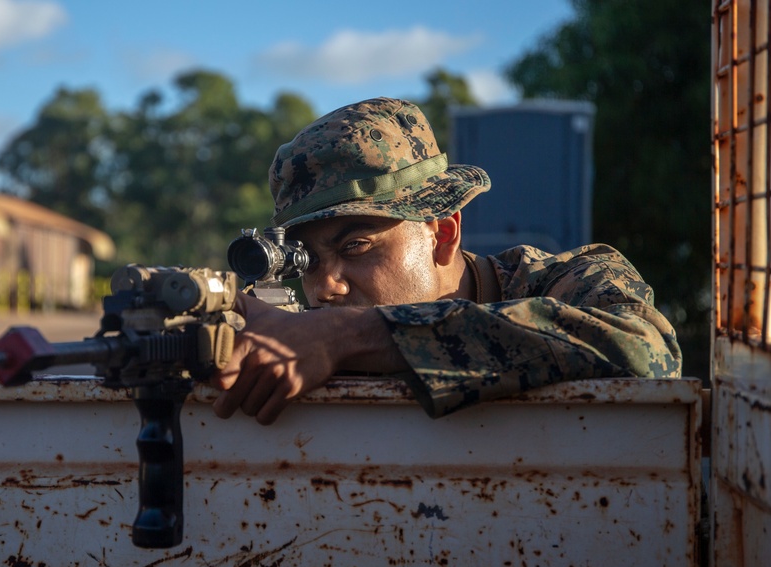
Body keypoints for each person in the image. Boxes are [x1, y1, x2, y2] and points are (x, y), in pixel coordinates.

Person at [211, 97, 681, 425]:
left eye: (356, 246)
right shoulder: (295, 341)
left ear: (443, 234)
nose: (323, 288)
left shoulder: (561, 282)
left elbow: (647, 352)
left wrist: (347, 338)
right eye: (306, 260)